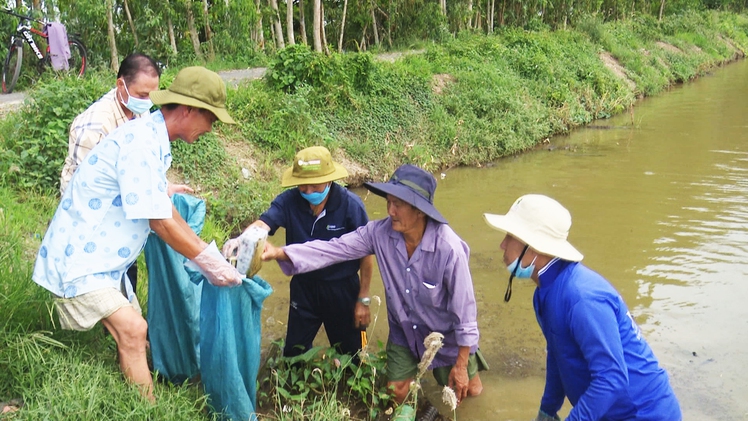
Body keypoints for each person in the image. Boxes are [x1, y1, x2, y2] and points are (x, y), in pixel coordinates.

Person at [32, 66, 243, 401]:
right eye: (211, 120)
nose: (211, 129)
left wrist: (206, 251)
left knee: (135, 336)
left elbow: (163, 206)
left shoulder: (152, 139)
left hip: (104, 260)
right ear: (188, 111)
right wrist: (210, 263)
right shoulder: (141, 143)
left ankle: (135, 392)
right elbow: (159, 221)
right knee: (134, 330)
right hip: (82, 259)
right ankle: (150, 408)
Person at [260, 164, 485, 405]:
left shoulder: (449, 249)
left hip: (445, 336)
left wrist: (461, 364)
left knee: (468, 390)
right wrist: (280, 253)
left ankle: (467, 375)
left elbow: (465, 313)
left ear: (420, 211)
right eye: (388, 202)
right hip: (405, 330)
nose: (390, 211)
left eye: (397, 205)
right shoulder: (379, 234)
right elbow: (334, 248)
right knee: (395, 391)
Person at [483, 194, 682, 421]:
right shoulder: (545, 293)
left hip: (643, 414)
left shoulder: (582, 298)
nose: (502, 244)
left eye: (510, 236)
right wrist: (548, 409)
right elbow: (559, 355)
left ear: (534, 248)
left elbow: (612, 378)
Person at [223, 146, 373, 358]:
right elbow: (264, 222)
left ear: (329, 179)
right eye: (303, 185)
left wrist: (363, 299)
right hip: (304, 287)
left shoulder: (351, 206)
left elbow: (366, 256)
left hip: (342, 290)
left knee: (352, 357)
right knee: (294, 354)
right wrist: (245, 239)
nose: (309, 191)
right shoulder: (289, 201)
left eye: (314, 185)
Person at [59, 52, 181, 294]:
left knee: (127, 275)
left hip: (124, 214)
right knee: (99, 288)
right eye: (142, 95)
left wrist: (160, 185)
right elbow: (83, 189)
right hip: (91, 218)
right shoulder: (95, 124)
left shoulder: (141, 113)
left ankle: (120, 320)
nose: (147, 102)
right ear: (120, 85)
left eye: (152, 95)